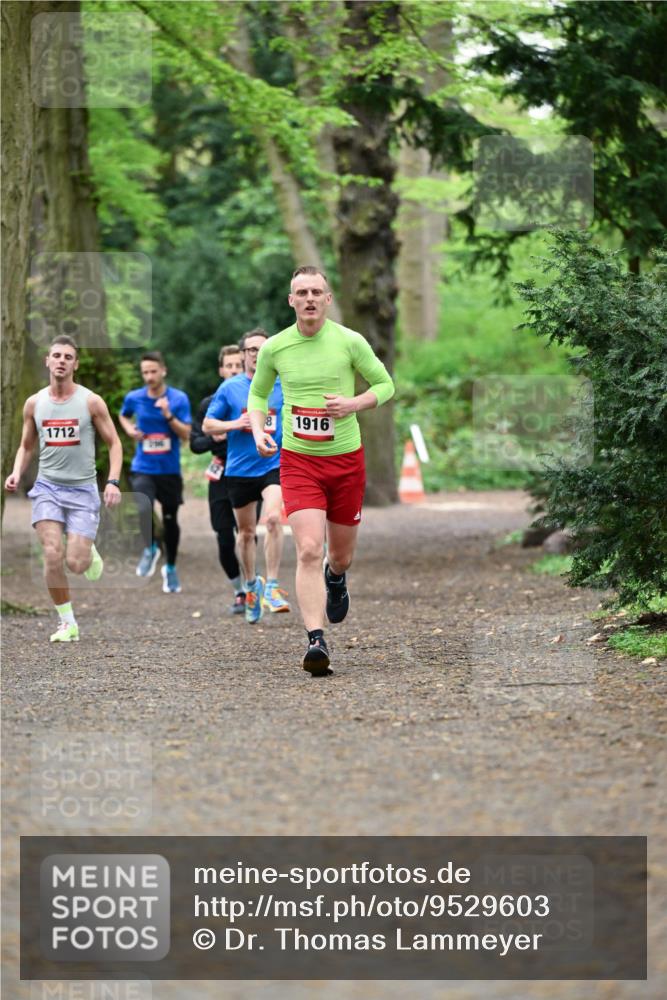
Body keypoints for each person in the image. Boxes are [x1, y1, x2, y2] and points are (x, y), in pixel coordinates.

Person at [248, 266, 394, 676]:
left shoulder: (350, 341)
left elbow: (385, 385)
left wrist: (353, 404)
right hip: (298, 461)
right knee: (309, 548)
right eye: (301, 292)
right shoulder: (275, 347)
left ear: (328, 299)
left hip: (346, 461)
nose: (309, 298)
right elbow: (258, 393)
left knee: (340, 555)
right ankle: (316, 639)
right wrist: (259, 429)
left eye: (316, 292)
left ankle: (336, 577)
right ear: (290, 300)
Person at [4, 336, 122, 642]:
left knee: (76, 563)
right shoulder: (34, 403)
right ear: (47, 361)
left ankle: (87, 550)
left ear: (75, 364)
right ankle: (67, 623)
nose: (61, 361)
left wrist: (112, 481)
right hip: (48, 488)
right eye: (56, 355)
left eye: (68, 357)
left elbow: (114, 443)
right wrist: (16, 472)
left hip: (83, 490)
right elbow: (26, 446)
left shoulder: (90, 401)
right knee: (52, 554)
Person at [203, 328, 289, 624]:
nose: (256, 354)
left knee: (275, 519)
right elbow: (207, 425)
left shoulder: (282, 385)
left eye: (261, 349)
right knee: (246, 534)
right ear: (243, 354)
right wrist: (235, 423)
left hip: (273, 464)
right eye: (251, 349)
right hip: (239, 469)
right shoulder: (230, 388)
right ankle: (251, 585)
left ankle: (274, 586)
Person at [119, 351, 191, 593]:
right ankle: (150, 548)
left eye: (153, 371)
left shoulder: (178, 399)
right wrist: (130, 430)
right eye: (145, 372)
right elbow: (123, 415)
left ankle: (170, 568)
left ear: (163, 371)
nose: (149, 377)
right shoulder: (134, 397)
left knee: (171, 521)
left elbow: (186, 434)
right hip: (144, 467)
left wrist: (168, 415)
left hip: (169, 470)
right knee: (141, 505)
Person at [190, 344, 247, 614]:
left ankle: (253, 586)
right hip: (220, 473)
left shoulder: (253, 397)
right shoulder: (208, 405)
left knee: (247, 535)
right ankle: (239, 590)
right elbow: (195, 444)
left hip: (247, 472)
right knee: (224, 538)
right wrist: (214, 435)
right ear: (221, 370)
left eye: (238, 365)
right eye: (230, 366)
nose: (234, 370)